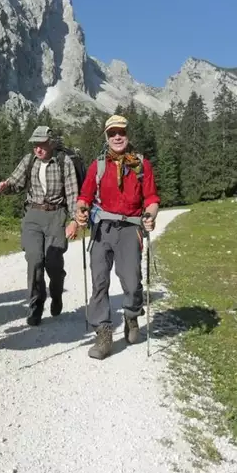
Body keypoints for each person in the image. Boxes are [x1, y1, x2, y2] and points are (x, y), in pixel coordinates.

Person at [74, 115, 160, 360]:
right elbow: (85, 197)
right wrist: (80, 212)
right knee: (99, 281)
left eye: (121, 131)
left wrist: (150, 216)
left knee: (132, 282)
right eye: (112, 133)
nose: (117, 137)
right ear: (106, 137)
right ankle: (103, 334)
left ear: (128, 134)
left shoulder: (141, 165)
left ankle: (131, 314)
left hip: (130, 228)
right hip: (102, 229)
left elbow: (152, 199)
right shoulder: (98, 165)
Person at [0, 126, 79, 326]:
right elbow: (15, 182)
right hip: (32, 215)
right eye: (35, 145)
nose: (38, 149)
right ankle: (36, 305)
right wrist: (6, 186)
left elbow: (73, 193)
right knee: (34, 260)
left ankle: (56, 294)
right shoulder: (29, 160)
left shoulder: (63, 161)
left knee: (53, 263)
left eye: (41, 144)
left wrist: (74, 220)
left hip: (56, 215)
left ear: (51, 143)